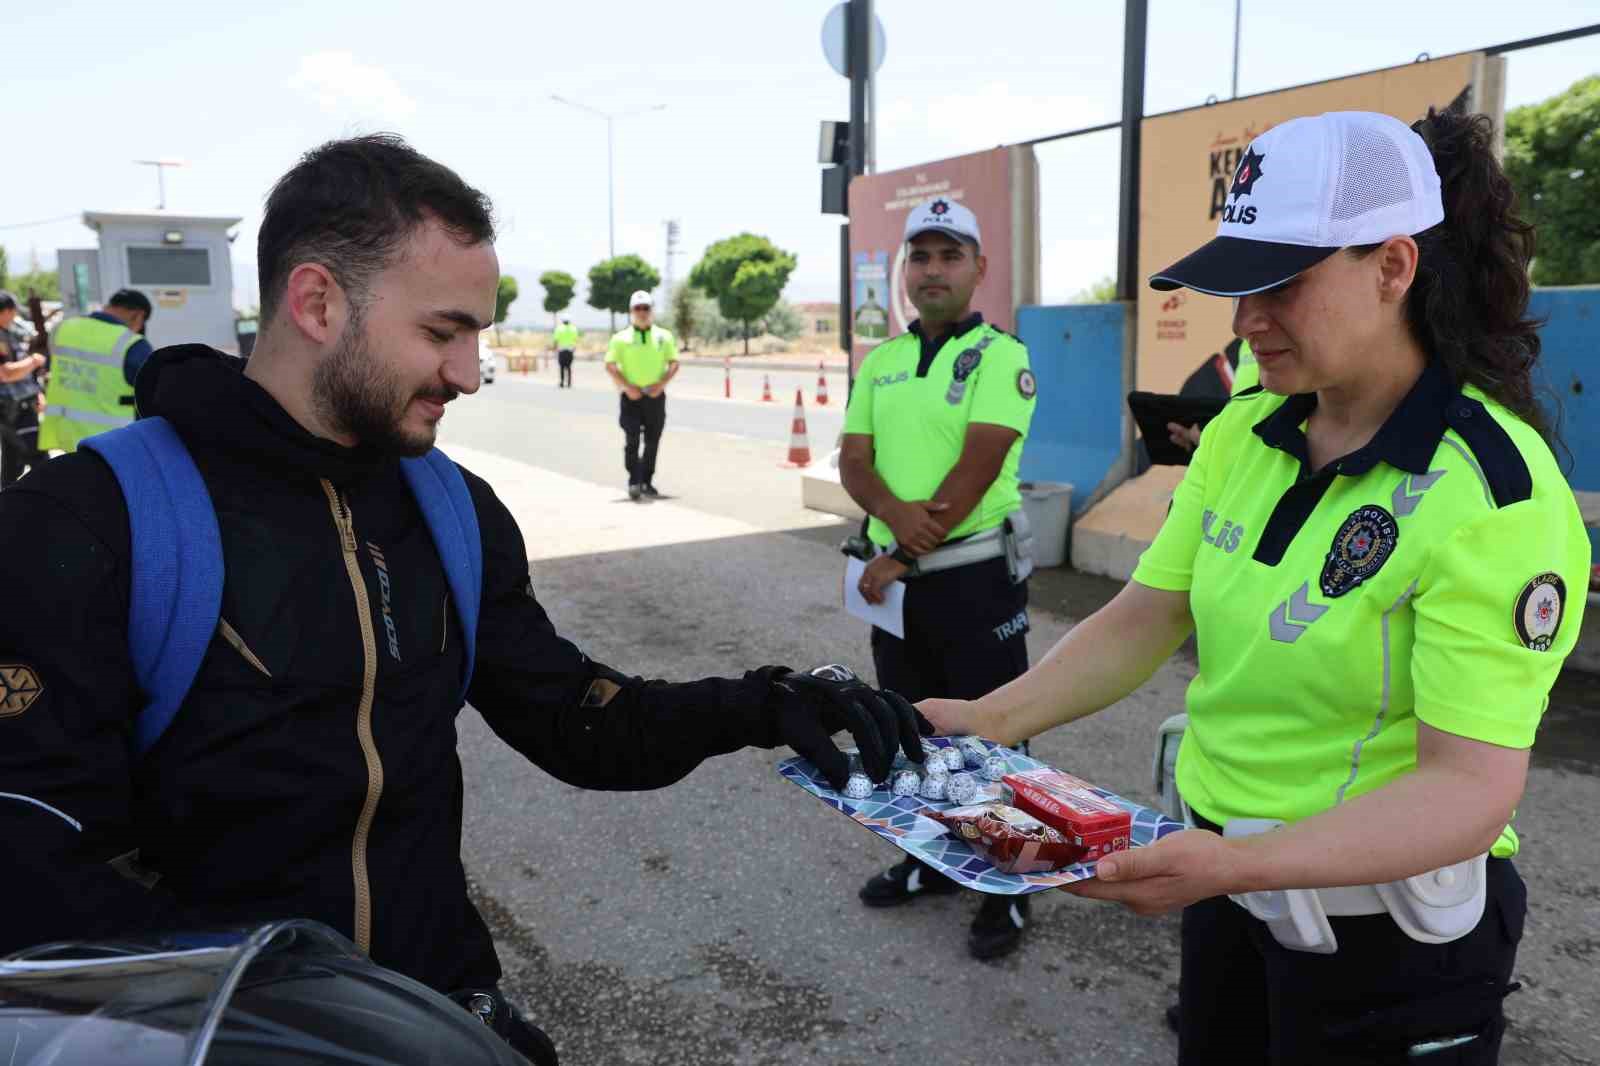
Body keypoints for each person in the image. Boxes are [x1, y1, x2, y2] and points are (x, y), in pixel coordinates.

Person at [0, 134, 929, 1065]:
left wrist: (769, 703)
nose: (470, 373)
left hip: (437, 1014)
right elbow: (31, 866)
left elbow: (577, 720)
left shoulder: (449, 507)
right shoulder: (88, 522)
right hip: (221, 1039)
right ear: (317, 301)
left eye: (477, 335)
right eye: (442, 333)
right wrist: (298, 1030)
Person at [919, 109, 1589, 1064]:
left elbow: (1467, 788)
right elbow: (1150, 611)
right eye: (1238, 283)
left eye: (1283, 283)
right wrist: (989, 716)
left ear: (1393, 267)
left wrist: (1237, 862)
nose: (1246, 322)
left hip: (1387, 943)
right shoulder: (1249, 426)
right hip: (1229, 895)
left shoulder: (1495, 492)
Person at [840, 196, 1040, 960]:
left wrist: (903, 550)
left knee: (995, 729)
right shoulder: (882, 361)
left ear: (978, 269)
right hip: (896, 580)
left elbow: (978, 463)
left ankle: (1011, 882)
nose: (932, 270)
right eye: (919, 256)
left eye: (949, 255)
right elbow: (854, 461)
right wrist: (892, 530)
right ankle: (935, 860)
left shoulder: (1002, 356)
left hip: (975, 577)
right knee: (912, 722)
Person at [36, 288, 156, 453]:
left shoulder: (63, 329)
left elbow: (50, 370)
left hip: (66, 437)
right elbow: (152, 394)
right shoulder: (133, 344)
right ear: (138, 315)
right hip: (112, 443)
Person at [605, 290, 678, 501]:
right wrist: (628, 387)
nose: (642, 312)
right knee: (632, 439)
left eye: (646, 308)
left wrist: (661, 384)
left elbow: (674, 362)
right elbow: (609, 364)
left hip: (655, 396)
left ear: (651, 311)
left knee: (653, 441)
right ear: (631, 311)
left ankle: (647, 481)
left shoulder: (664, 337)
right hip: (631, 398)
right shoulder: (620, 338)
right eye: (638, 308)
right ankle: (634, 480)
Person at [0, 291, 47, 486]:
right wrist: (34, 361)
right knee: (40, 462)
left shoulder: (7, 334)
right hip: (15, 410)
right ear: (8, 310)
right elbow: (5, 373)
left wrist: (36, 393)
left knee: (13, 464)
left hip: (20, 406)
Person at [552, 315, 579, 388]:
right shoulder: (573, 329)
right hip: (570, 350)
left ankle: (562, 382)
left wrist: (554, 348)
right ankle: (569, 382)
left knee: (562, 366)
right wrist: (574, 348)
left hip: (561, 350)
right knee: (569, 366)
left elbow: (556, 340)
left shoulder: (559, 328)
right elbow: (576, 339)